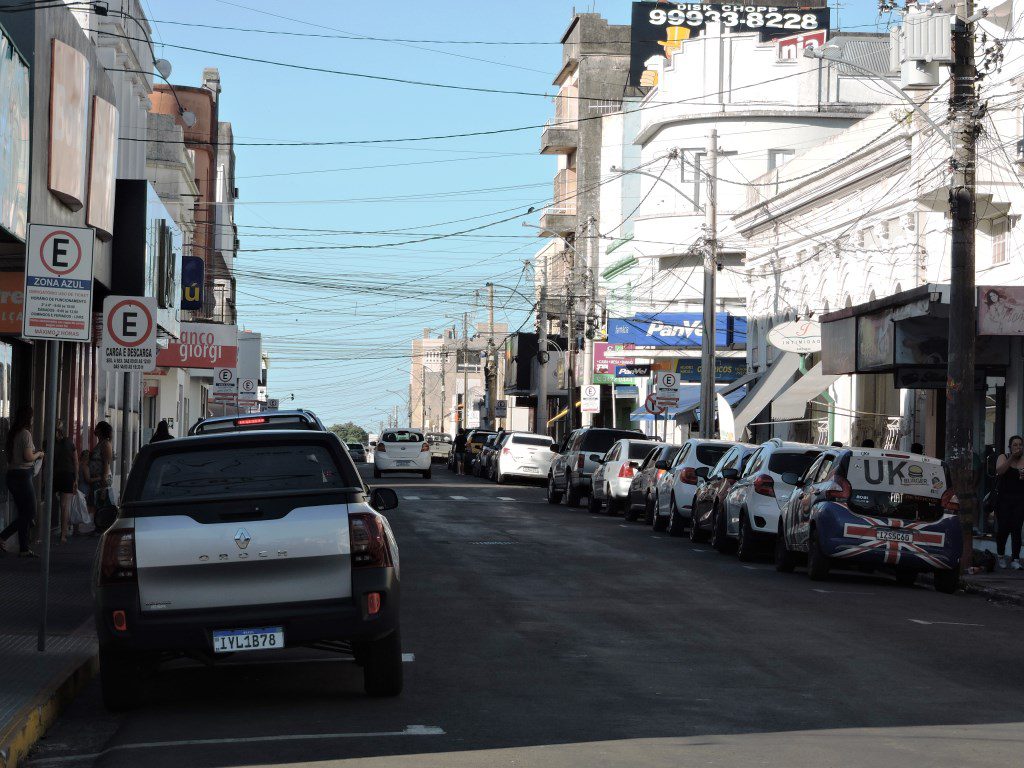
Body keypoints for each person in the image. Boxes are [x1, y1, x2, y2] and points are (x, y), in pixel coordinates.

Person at [0, 406, 44, 556]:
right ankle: (2, 536)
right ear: (27, 418)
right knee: (30, 512)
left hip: (12, 475)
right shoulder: (25, 433)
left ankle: (24, 548)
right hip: (22, 476)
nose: (33, 419)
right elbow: (28, 457)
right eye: (31, 416)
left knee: (23, 513)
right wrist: (39, 454)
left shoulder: (13, 434)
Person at [994, 435, 1024, 570]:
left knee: (1017, 528)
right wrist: (1012, 457)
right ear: (1010, 447)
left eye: (1020, 445)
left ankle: (1015, 558)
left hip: (1020, 499)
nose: (1018, 447)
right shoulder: (1004, 457)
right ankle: (1000, 555)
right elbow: (999, 471)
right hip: (1004, 499)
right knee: (1003, 529)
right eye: (1015, 445)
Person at [53, 421, 79, 544]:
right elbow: (76, 461)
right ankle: (63, 534)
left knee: (50, 503)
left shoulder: (49, 442)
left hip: (54, 475)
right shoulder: (69, 442)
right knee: (65, 506)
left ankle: (46, 531)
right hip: (67, 475)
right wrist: (76, 479)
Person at [85, 421, 114, 532]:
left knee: (102, 504)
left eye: (97, 428)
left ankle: (103, 528)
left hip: (101, 479)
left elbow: (106, 464)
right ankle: (98, 527)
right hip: (96, 479)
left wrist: (103, 484)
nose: (94, 429)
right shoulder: (100, 443)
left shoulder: (105, 444)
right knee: (97, 504)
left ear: (100, 430)